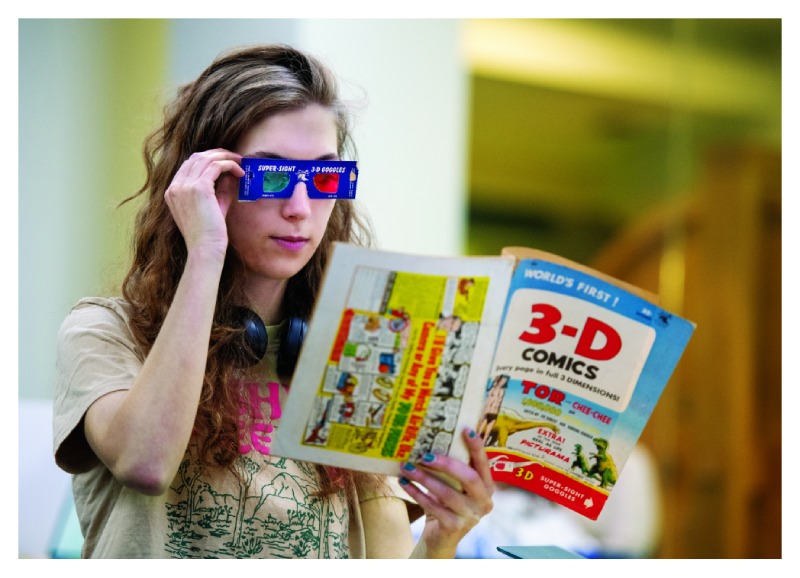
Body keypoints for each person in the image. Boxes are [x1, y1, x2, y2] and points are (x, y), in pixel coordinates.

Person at [52, 44, 494, 559]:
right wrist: (206, 251)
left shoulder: (360, 355)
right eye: (273, 176)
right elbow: (146, 465)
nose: (301, 209)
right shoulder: (104, 332)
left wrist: (443, 537)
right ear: (203, 182)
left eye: (325, 178)